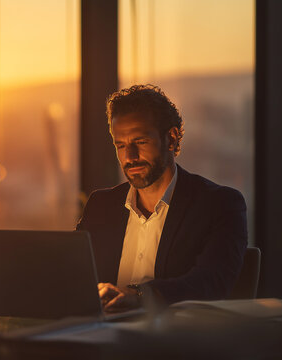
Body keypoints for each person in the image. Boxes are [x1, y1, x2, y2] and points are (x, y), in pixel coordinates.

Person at [76, 84, 248, 312]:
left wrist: (140, 296)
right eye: (121, 145)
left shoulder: (220, 205)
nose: (130, 157)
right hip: (102, 338)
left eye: (140, 142)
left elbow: (210, 283)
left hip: (175, 342)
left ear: (172, 138)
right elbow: (74, 276)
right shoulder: (101, 206)